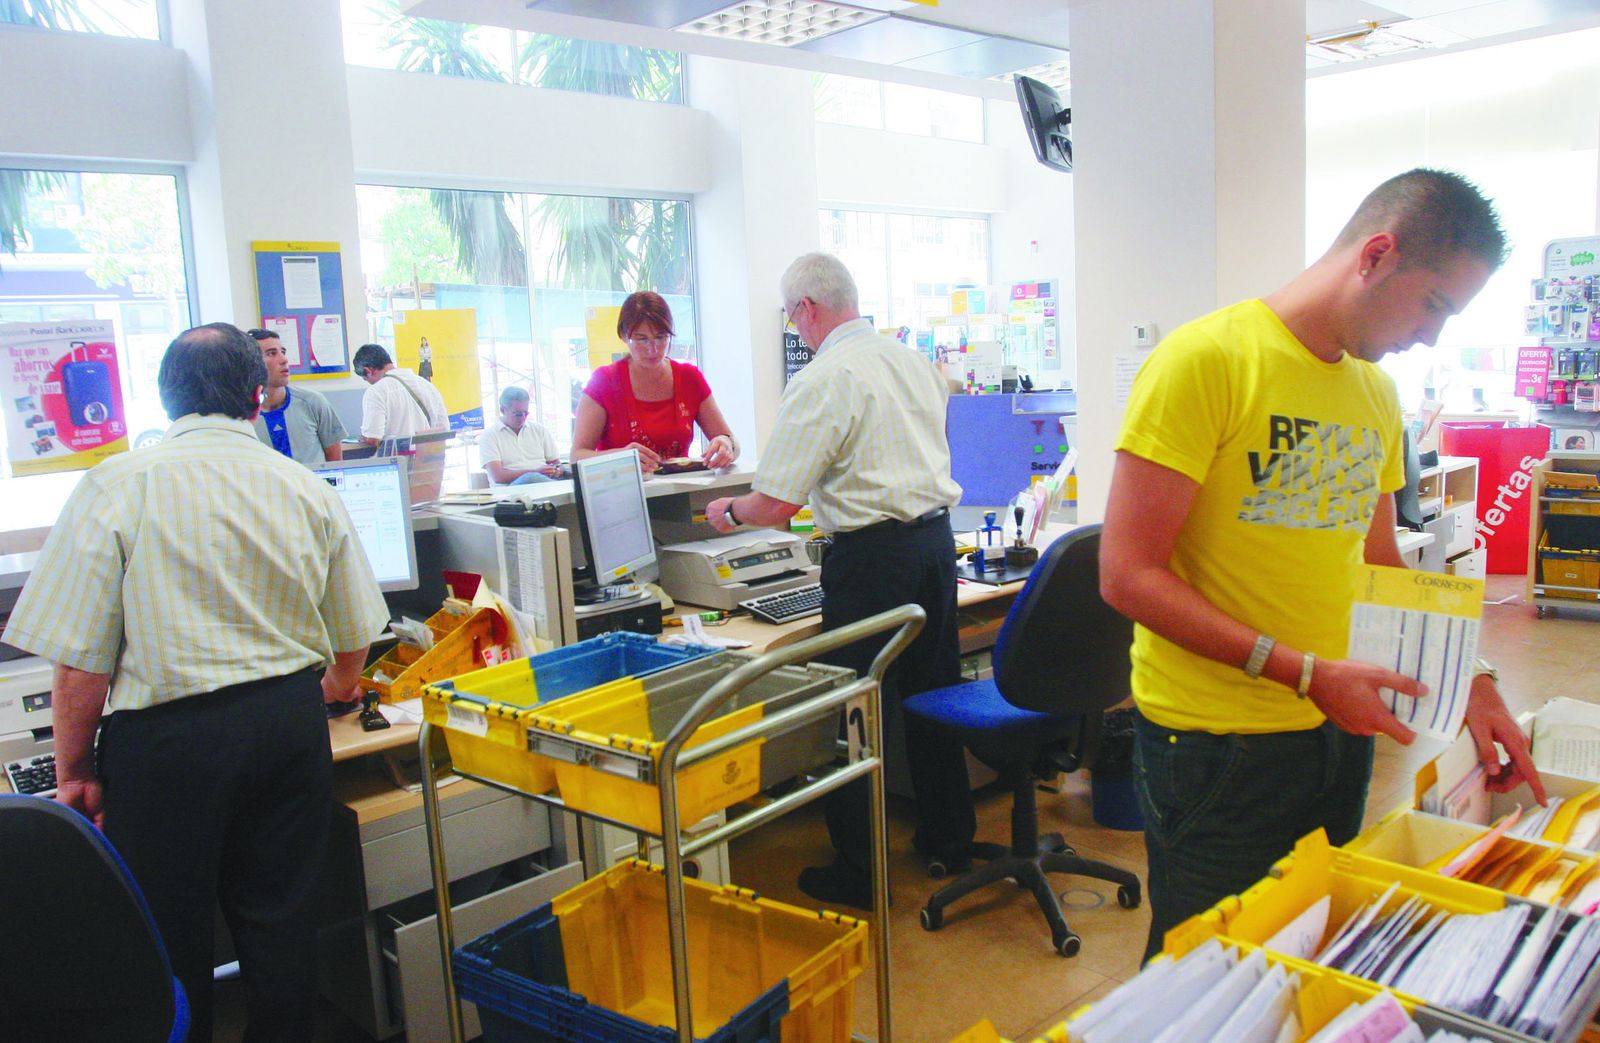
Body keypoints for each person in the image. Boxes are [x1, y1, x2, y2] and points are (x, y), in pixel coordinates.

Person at [1097, 169, 1545, 962]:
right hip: (1215, 745)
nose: (1432, 336)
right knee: (1203, 971)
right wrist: (1303, 671)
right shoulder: (1206, 361)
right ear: (1376, 254)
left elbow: (1379, 562)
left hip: (1338, 731)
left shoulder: (1373, 392)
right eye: (1434, 304)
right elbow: (1127, 574)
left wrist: (1469, 678)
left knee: (1302, 953)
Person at [3, 323, 390, 1040]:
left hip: (168, 746)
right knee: (281, 928)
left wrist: (75, 769)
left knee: (171, 940)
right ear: (256, 393)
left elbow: (79, 663)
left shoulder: (116, 485)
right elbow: (352, 638)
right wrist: (333, 688)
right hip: (285, 729)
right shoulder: (304, 485)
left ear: (165, 396)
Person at [706, 252, 972, 909]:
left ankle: (860, 870)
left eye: (794, 318)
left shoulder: (823, 378)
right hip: (936, 545)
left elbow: (773, 507)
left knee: (855, 707)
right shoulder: (912, 361)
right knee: (931, 690)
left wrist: (724, 512)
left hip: (873, 559)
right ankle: (949, 838)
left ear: (806, 310)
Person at [572, 291, 739, 473]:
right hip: (621, 491)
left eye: (660, 337)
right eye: (641, 339)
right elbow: (577, 456)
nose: (652, 349)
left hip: (679, 492)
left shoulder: (689, 378)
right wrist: (621, 458)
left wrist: (725, 444)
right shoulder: (604, 382)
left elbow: (731, 442)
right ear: (623, 335)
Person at [247, 327, 346, 465]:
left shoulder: (313, 402)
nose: (284, 360)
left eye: (283, 352)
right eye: (271, 354)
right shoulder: (241, 415)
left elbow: (335, 462)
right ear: (251, 362)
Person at [353, 342, 448, 447]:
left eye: (366, 379)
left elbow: (373, 438)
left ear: (368, 371)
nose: (369, 383)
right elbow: (444, 429)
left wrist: (364, 437)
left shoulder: (376, 391)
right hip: (429, 459)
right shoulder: (427, 385)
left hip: (397, 460)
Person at [481, 386, 563, 485]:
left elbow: (556, 463)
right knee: (530, 478)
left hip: (544, 481)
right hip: (510, 490)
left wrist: (557, 470)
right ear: (503, 410)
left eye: (526, 413)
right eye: (518, 414)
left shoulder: (539, 430)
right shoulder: (490, 435)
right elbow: (498, 476)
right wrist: (535, 471)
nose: (523, 417)